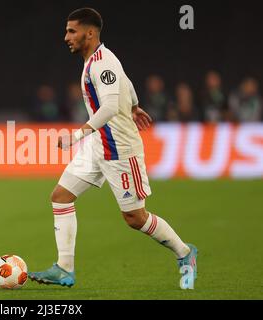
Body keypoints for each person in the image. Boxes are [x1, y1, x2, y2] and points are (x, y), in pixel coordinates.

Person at [28, 8, 198, 288]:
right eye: (67, 30)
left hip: (120, 149)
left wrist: (78, 134)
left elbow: (107, 106)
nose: (66, 37)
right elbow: (126, 81)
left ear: (90, 33)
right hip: (98, 145)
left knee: (134, 218)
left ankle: (184, 252)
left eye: (72, 31)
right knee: (60, 196)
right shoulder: (98, 59)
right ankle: (64, 269)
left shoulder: (101, 63)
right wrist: (133, 105)